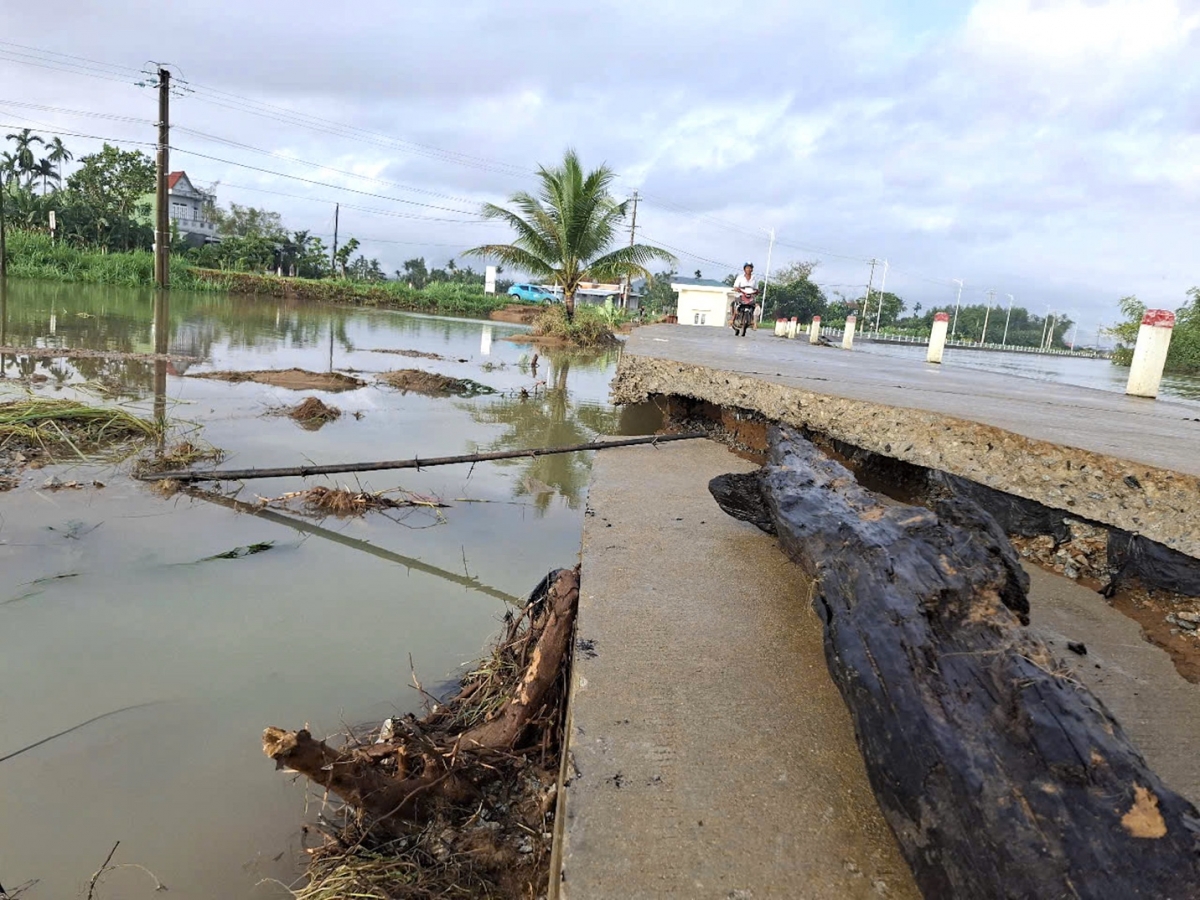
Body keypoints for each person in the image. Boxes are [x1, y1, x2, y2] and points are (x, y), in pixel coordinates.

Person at [730, 262, 757, 330]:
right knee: (737, 305)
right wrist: (737, 289)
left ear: (752, 269)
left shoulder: (754, 279)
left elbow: (756, 288)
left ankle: (754, 322)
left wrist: (757, 291)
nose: (749, 269)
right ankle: (732, 320)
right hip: (741, 295)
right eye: (747, 268)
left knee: (755, 306)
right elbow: (735, 286)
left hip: (750, 296)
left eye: (750, 268)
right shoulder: (740, 277)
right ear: (744, 269)